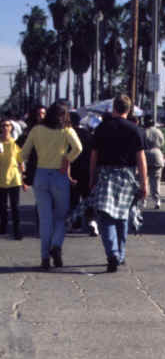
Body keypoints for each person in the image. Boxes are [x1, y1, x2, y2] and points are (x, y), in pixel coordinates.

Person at [88, 93, 147, 272]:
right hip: (127, 177)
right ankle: (120, 254)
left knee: (106, 217)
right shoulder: (136, 130)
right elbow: (141, 158)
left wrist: (91, 179)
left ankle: (112, 253)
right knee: (123, 216)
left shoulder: (101, 129)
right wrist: (144, 183)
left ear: (113, 108)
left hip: (105, 175)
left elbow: (94, 157)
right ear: (128, 110)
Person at [21, 103, 82, 270]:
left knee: (45, 219)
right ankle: (56, 245)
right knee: (60, 217)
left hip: (41, 175)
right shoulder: (66, 130)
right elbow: (78, 148)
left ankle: (44, 257)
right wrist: (67, 159)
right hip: (59, 175)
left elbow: (23, 154)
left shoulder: (37, 130)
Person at [0, 118, 26, 239]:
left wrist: (24, 179)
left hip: (14, 179)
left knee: (15, 207)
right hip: (1, 180)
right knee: (2, 207)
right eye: (3, 125)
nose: (5, 128)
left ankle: (17, 232)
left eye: (8, 125)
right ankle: (3, 228)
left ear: (11, 128)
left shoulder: (15, 144)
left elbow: (21, 162)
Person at [143, 115, 165, 208]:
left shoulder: (144, 132)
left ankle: (143, 199)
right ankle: (157, 200)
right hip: (157, 154)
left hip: (145, 154)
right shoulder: (158, 131)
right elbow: (162, 143)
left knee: (143, 179)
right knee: (156, 180)